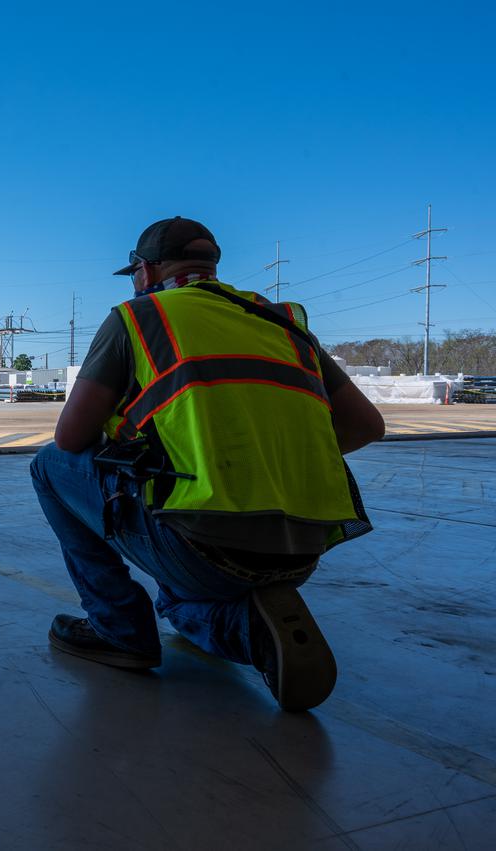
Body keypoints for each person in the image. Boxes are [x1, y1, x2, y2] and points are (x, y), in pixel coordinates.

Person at [29, 216, 385, 712]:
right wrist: (265, 463)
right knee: (181, 599)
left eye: (135, 274)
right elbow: (368, 426)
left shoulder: (140, 317)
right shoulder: (282, 321)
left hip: (207, 547)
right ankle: (249, 622)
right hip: (304, 547)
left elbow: (70, 439)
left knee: (49, 467)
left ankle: (123, 630)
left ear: (146, 271)